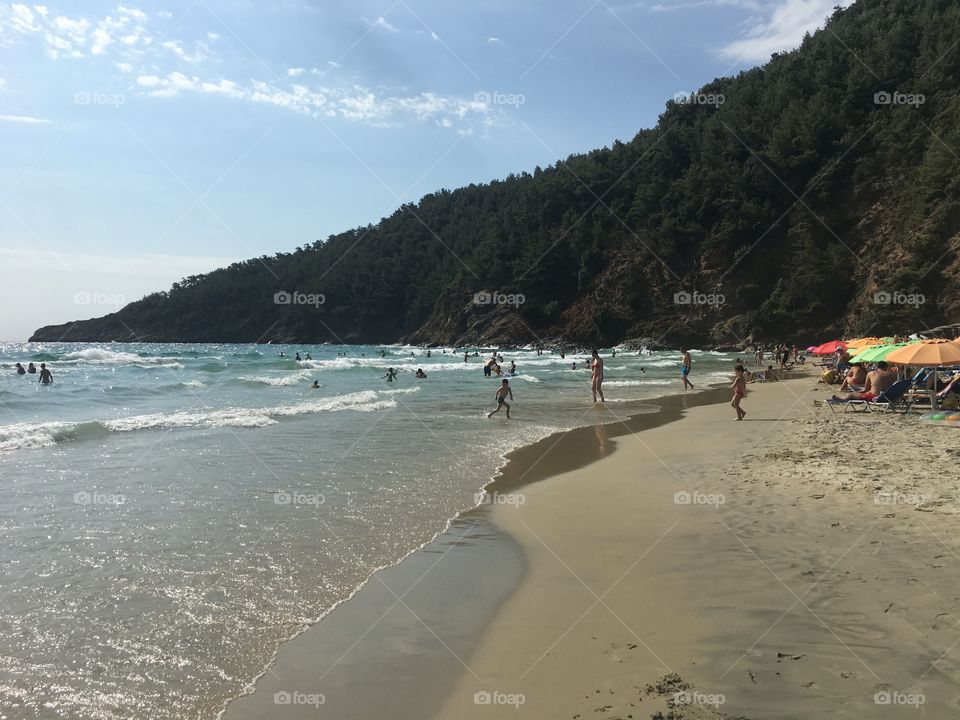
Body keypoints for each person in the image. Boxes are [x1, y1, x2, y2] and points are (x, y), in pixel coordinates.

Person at [832, 361, 896, 402]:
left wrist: (857, 393)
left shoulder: (871, 373)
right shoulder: (892, 374)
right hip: (891, 397)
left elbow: (866, 389)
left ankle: (843, 399)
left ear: (877, 367)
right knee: (863, 394)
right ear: (886, 367)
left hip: (876, 397)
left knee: (852, 395)